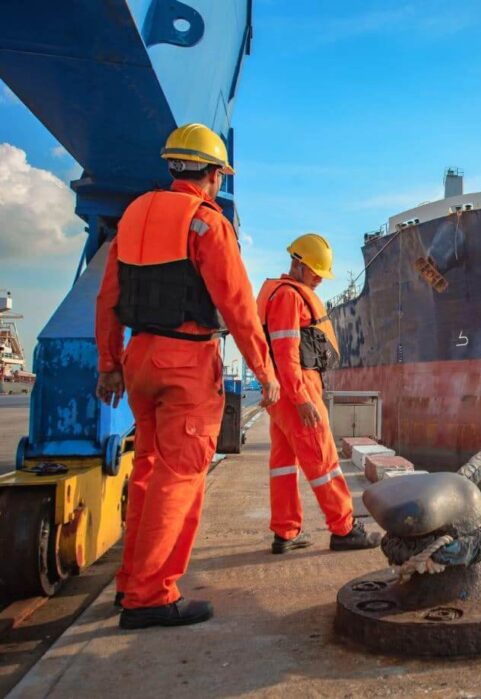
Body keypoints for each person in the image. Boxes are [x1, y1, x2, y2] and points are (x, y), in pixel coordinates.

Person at [95, 123, 279, 630]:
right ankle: (151, 596)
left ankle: (131, 583)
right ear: (214, 174)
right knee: (180, 479)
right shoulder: (206, 223)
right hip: (188, 363)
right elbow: (238, 306)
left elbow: (108, 297)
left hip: (139, 358)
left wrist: (109, 364)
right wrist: (264, 371)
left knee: (149, 472)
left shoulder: (132, 216)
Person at [257, 233, 380, 554]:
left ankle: (285, 532)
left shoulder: (276, 293)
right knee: (323, 460)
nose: (319, 281)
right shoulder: (289, 297)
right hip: (297, 387)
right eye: (315, 273)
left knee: (283, 463)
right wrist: (301, 399)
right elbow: (286, 353)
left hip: (280, 391)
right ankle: (344, 528)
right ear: (298, 265)